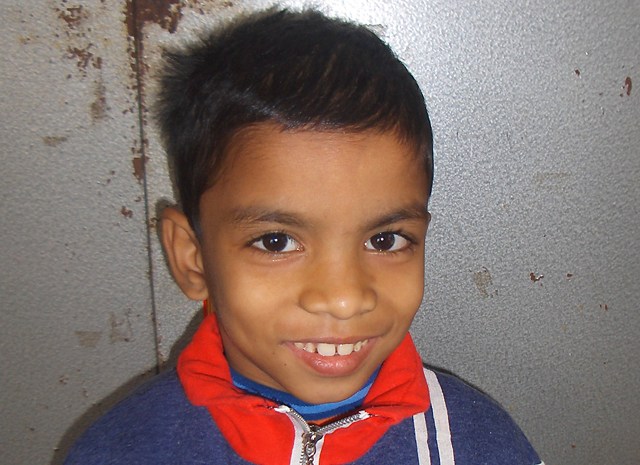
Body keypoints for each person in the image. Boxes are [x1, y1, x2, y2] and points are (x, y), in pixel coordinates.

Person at [64, 7, 543, 465]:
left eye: (384, 240)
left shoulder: (483, 445)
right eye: (276, 242)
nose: (344, 299)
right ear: (193, 258)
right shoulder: (117, 452)